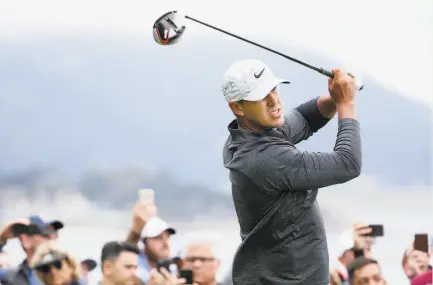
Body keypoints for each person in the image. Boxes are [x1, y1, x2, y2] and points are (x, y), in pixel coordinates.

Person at [221, 59, 362, 285]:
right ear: (237, 107)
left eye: (273, 89)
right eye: (261, 97)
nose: (274, 101)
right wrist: (347, 103)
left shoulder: (249, 135)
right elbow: (348, 163)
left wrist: (335, 96)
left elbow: (305, 118)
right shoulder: (265, 159)